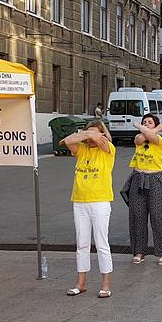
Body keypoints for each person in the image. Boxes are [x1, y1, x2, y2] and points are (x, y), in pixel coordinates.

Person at [60, 120, 116, 298]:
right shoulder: (82, 150)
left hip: (100, 201)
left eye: (95, 134)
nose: (92, 138)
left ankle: (106, 284)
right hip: (80, 201)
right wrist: (87, 134)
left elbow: (106, 142)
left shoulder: (108, 151)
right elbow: (66, 141)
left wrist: (98, 134)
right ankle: (81, 283)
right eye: (88, 134)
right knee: (82, 243)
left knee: (101, 243)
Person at [122, 114, 162, 265]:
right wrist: (157, 128)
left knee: (158, 217)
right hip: (137, 177)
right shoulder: (139, 138)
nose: (146, 124)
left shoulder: (159, 140)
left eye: (150, 122)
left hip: (155, 179)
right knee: (137, 216)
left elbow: (151, 136)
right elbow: (141, 138)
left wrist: (140, 126)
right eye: (144, 122)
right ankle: (139, 251)